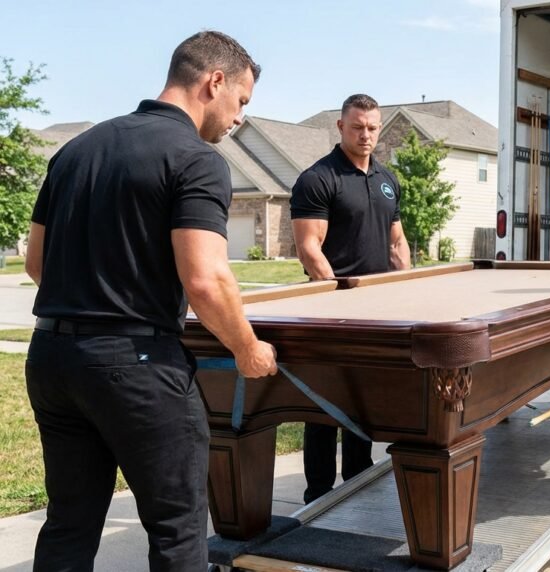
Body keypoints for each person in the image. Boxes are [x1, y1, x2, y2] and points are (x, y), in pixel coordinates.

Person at [23, 31, 278, 571]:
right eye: (241, 101)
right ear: (214, 82)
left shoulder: (75, 151)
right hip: (137, 367)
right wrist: (248, 348)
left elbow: (36, 263)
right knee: (177, 529)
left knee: (69, 522)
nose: (239, 119)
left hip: (53, 361)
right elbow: (206, 279)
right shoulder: (196, 159)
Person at [290, 93, 412, 503]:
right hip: (329, 312)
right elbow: (309, 248)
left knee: (362, 401)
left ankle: (357, 483)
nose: (365, 135)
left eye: (372, 128)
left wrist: (407, 289)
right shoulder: (318, 178)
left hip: (375, 312)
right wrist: (340, 298)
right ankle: (317, 496)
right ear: (341, 126)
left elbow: (397, 242)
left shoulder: (387, 179)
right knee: (324, 404)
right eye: (357, 127)